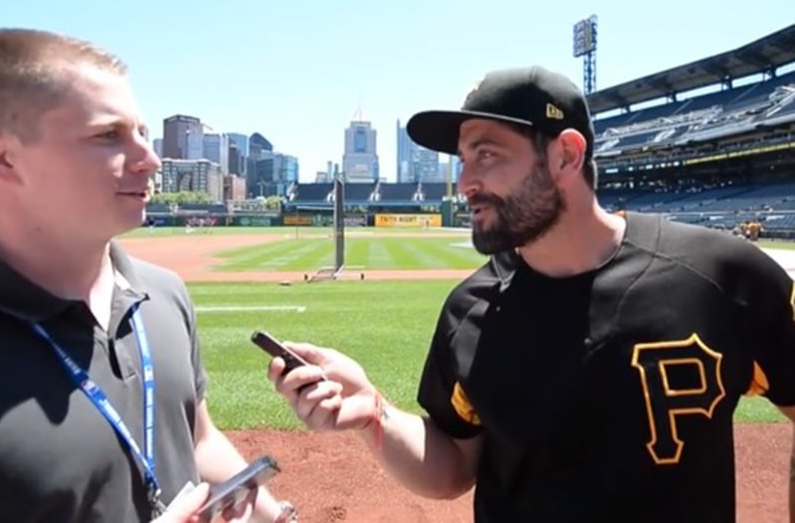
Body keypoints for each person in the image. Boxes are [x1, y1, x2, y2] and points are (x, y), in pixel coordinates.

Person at [267, 65, 795, 522]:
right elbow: (452, 466)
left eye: (487, 155)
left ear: (565, 155)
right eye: (462, 161)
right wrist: (374, 412)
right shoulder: (470, 311)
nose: (465, 182)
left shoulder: (720, 276)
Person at [0, 28, 298, 523]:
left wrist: (276, 518)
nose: (149, 160)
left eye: (143, 134)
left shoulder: (163, 294)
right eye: (109, 135)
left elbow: (197, 441)